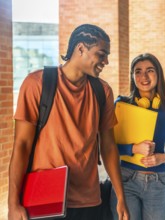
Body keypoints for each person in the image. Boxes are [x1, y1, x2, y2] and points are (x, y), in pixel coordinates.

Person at [8, 24, 129, 220]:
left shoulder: (102, 91)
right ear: (80, 49)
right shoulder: (36, 84)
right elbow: (21, 145)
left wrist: (121, 197)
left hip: (89, 201)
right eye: (101, 54)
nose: (106, 61)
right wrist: (13, 204)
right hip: (45, 198)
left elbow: (108, 146)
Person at [110, 53, 165, 220]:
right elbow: (108, 147)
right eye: (138, 72)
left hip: (157, 182)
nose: (144, 77)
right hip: (125, 179)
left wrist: (164, 158)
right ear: (133, 77)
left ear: (158, 74)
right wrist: (133, 148)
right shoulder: (121, 104)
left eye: (150, 70)